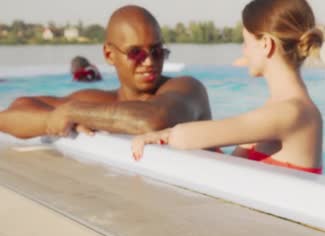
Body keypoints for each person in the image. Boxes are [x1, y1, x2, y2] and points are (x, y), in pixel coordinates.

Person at [132, 0, 323, 174]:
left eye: (246, 42)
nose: (244, 51)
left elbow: (184, 137)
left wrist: (161, 135)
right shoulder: (278, 109)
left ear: (266, 44)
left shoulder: (293, 112)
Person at [0, 5, 211, 139]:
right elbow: (13, 113)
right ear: (109, 55)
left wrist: (73, 113)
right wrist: (50, 121)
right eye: (136, 53)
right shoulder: (99, 100)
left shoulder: (188, 88)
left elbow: (153, 120)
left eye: (157, 51)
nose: (149, 62)